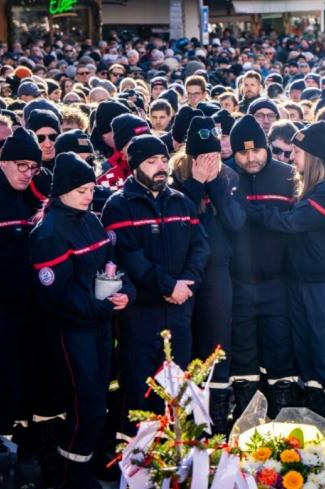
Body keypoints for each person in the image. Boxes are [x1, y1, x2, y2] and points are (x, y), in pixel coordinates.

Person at [244, 121, 325, 450]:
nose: (291, 158)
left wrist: (247, 208)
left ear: (313, 155)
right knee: (308, 357)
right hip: (301, 281)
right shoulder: (313, 183)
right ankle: (319, 431)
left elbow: (292, 222)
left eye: (296, 153)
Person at [29, 152, 134, 488]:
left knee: (100, 399)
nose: (90, 196)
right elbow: (57, 295)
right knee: (86, 402)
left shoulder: (89, 220)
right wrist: (101, 307)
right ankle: (72, 473)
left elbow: (111, 263)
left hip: (100, 325)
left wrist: (125, 291)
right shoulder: (49, 233)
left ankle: (90, 462)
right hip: (73, 331)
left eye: (91, 189)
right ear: (62, 191)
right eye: (82, 190)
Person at [101, 134, 211, 438]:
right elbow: (130, 257)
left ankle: (179, 451)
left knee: (181, 386)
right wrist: (168, 286)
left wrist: (186, 284)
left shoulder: (181, 201)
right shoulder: (119, 205)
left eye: (164, 160)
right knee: (139, 387)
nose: (161, 166)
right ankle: (139, 454)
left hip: (179, 309)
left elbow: (200, 247)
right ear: (135, 166)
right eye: (152, 162)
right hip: (140, 314)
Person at [170, 116, 245, 435]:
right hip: (183, 273)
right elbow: (177, 222)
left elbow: (236, 222)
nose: (210, 161)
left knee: (217, 344)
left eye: (214, 155)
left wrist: (214, 185)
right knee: (185, 345)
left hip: (217, 271)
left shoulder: (228, 177)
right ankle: (187, 420)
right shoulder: (175, 177)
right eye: (203, 156)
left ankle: (216, 420)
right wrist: (196, 183)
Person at [228, 115, 299, 420]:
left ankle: (284, 418)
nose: (251, 158)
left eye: (256, 150)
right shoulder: (226, 176)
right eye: (243, 152)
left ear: (266, 147)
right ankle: (248, 419)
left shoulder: (288, 176)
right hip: (237, 282)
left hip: (279, 281)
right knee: (243, 353)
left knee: (281, 349)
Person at [0, 128, 42, 448]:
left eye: (33, 167)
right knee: (1, 380)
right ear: (4, 161)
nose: (27, 173)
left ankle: (22, 444)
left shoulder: (31, 193)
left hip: (29, 306)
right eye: (21, 165)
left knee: (26, 377)